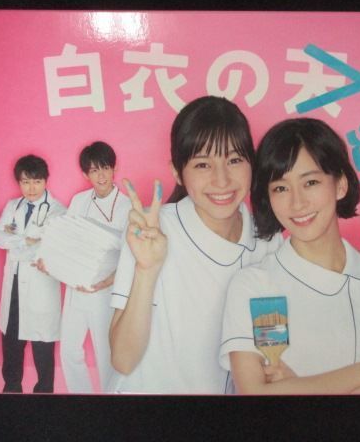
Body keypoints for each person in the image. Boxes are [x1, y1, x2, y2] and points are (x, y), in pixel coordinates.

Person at [220, 118, 360, 394]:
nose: (297, 203)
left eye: (310, 182)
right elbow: (255, 395)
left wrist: (296, 387)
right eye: (280, 188)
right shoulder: (254, 285)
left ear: (340, 185)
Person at [108, 96, 282, 394]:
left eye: (234, 160)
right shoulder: (153, 230)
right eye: (203, 164)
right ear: (177, 171)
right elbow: (122, 360)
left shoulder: (267, 239)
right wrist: (146, 269)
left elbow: (272, 349)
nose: (222, 180)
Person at [0, 155, 66, 393]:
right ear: (19, 183)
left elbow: (46, 247)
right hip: (13, 286)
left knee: (43, 348)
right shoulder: (13, 206)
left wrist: (16, 242)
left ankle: (44, 393)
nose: (31, 188)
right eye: (25, 182)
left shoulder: (57, 211)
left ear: (45, 181)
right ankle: (11, 389)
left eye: (36, 181)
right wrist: (25, 240)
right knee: (11, 343)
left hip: (40, 288)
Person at [60, 141, 131, 393]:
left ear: (114, 169)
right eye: (94, 170)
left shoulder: (127, 205)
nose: (101, 176)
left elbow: (130, 253)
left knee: (105, 353)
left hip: (106, 290)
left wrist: (109, 280)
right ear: (85, 174)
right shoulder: (79, 201)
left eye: (105, 168)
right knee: (69, 351)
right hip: (77, 286)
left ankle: (109, 398)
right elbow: (67, 239)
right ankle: (81, 397)